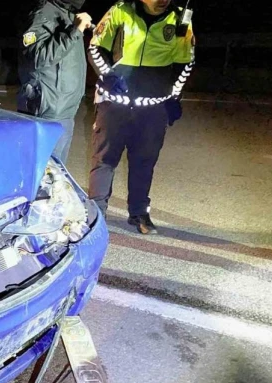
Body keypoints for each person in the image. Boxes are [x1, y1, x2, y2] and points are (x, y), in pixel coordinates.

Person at [87, 0, 195, 234]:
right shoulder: (120, 11)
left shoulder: (179, 19)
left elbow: (185, 63)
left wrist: (174, 96)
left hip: (152, 106)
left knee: (144, 161)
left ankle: (139, 213)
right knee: (104, 159)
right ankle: (96, 214)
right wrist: (108, 77)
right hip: (114, 102)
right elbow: (95, 48)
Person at [18, 0, 93, 164]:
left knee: (57, 171)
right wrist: (75, 31)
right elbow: (37, 56)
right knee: (44, 171)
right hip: (48, 110)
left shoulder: (66, 13)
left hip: (65, 109)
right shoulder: (43, 13)